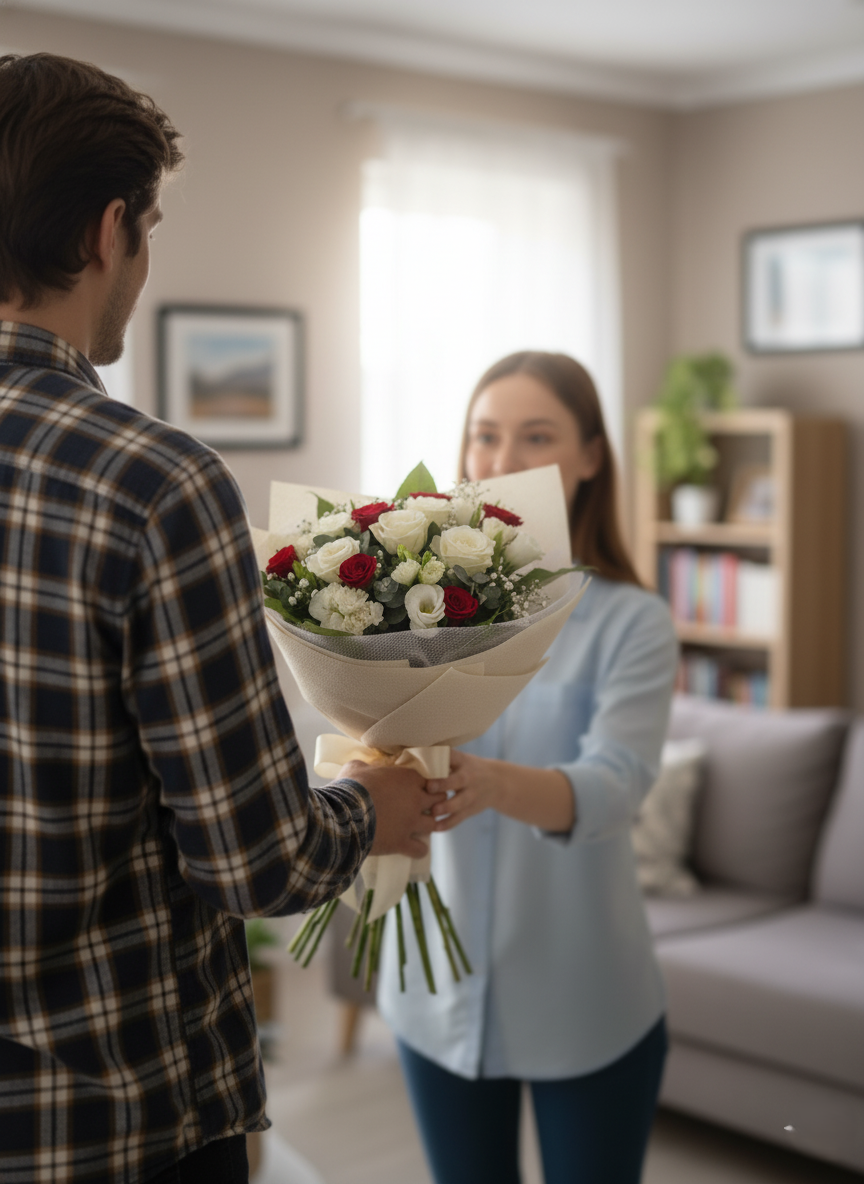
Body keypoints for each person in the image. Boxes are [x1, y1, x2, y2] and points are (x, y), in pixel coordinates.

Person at [0, 53, 441, 1184]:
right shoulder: (151, 483)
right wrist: (368, 807)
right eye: (147, 226)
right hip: (110, 1114)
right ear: (110, 233)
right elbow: (257, 859)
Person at [378, 351, 679, 1184]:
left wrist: (491, 785)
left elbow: (617, 787)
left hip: (587, 1000)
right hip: (434, 992)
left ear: (589, 456)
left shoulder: (633, 623)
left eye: (535, 436)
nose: (501, 463)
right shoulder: (416, 604)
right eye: (485, 437)